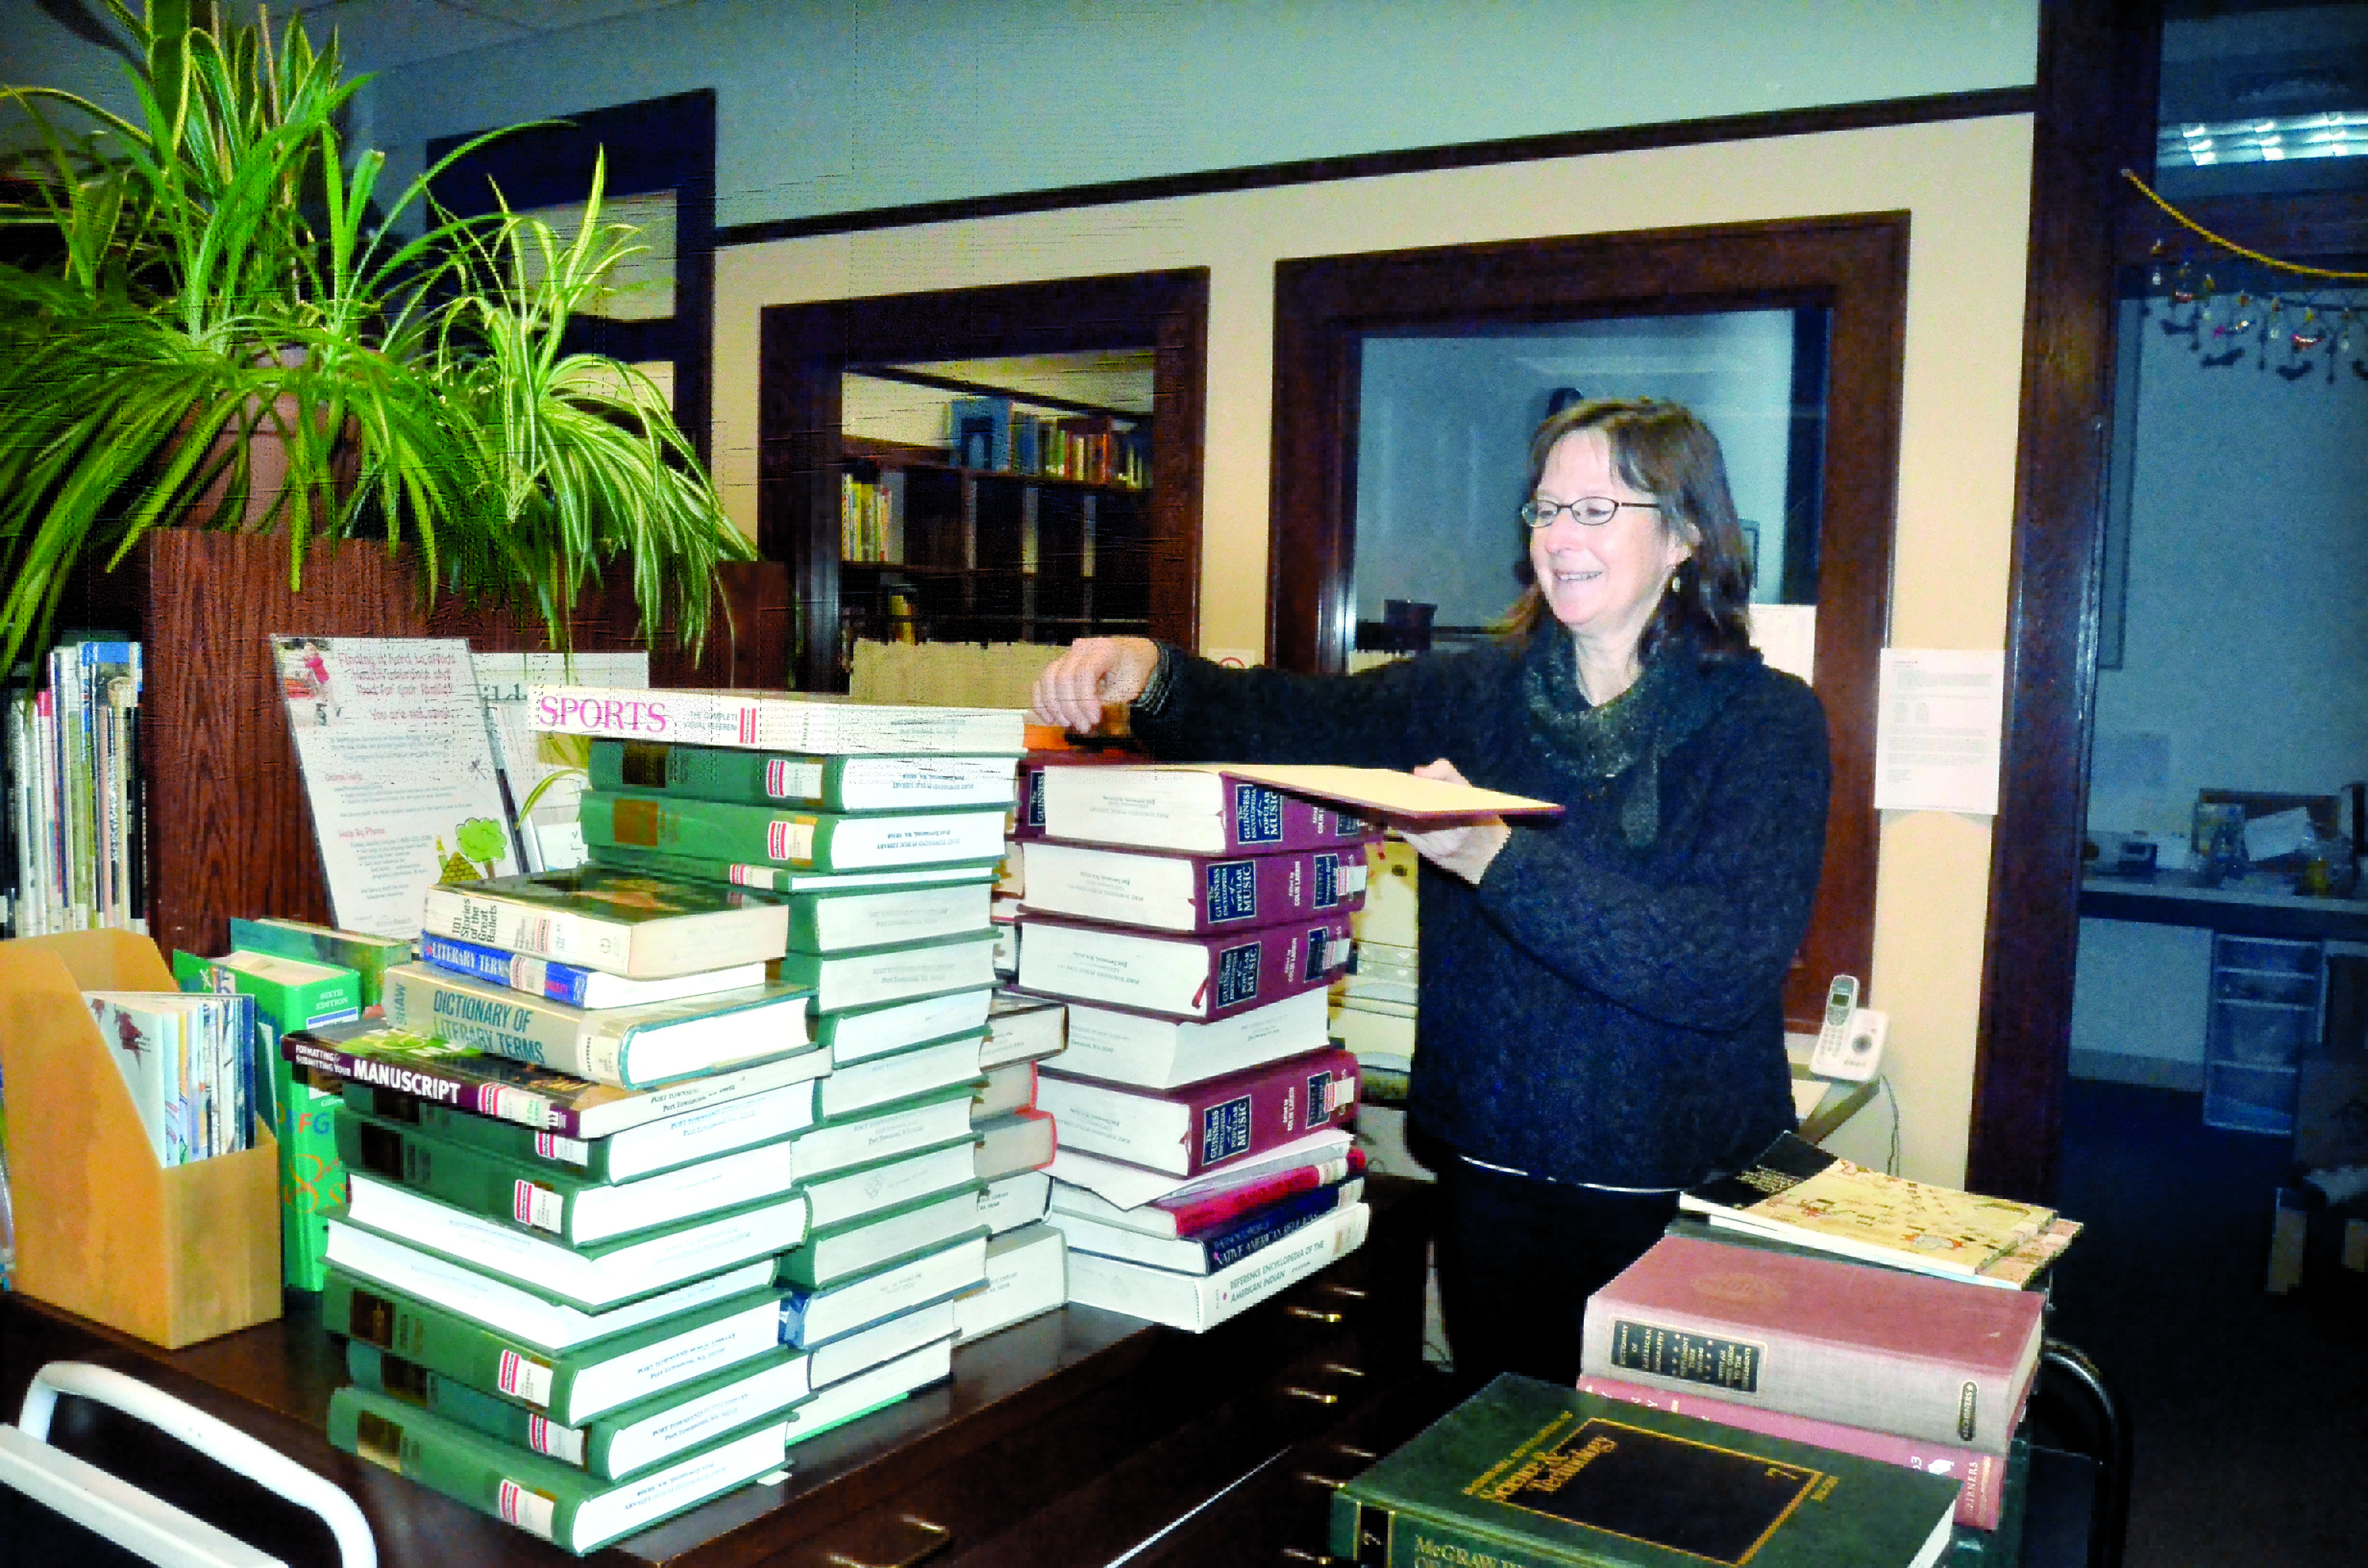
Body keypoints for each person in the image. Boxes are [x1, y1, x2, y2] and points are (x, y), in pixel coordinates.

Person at [1030, 398, 1830, 1388]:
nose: (1560, 539)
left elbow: (1719, 963)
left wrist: (1495, 858)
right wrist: (1149, 673)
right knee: (1502, 1446)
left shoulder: (1767, 723)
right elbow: (1289, 720)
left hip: (1678, 1187)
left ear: (1684, 535)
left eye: (1596, 510)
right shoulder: (1467, 695)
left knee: (1658, 1473)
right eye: (1545, 511)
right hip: (1490, 1177)